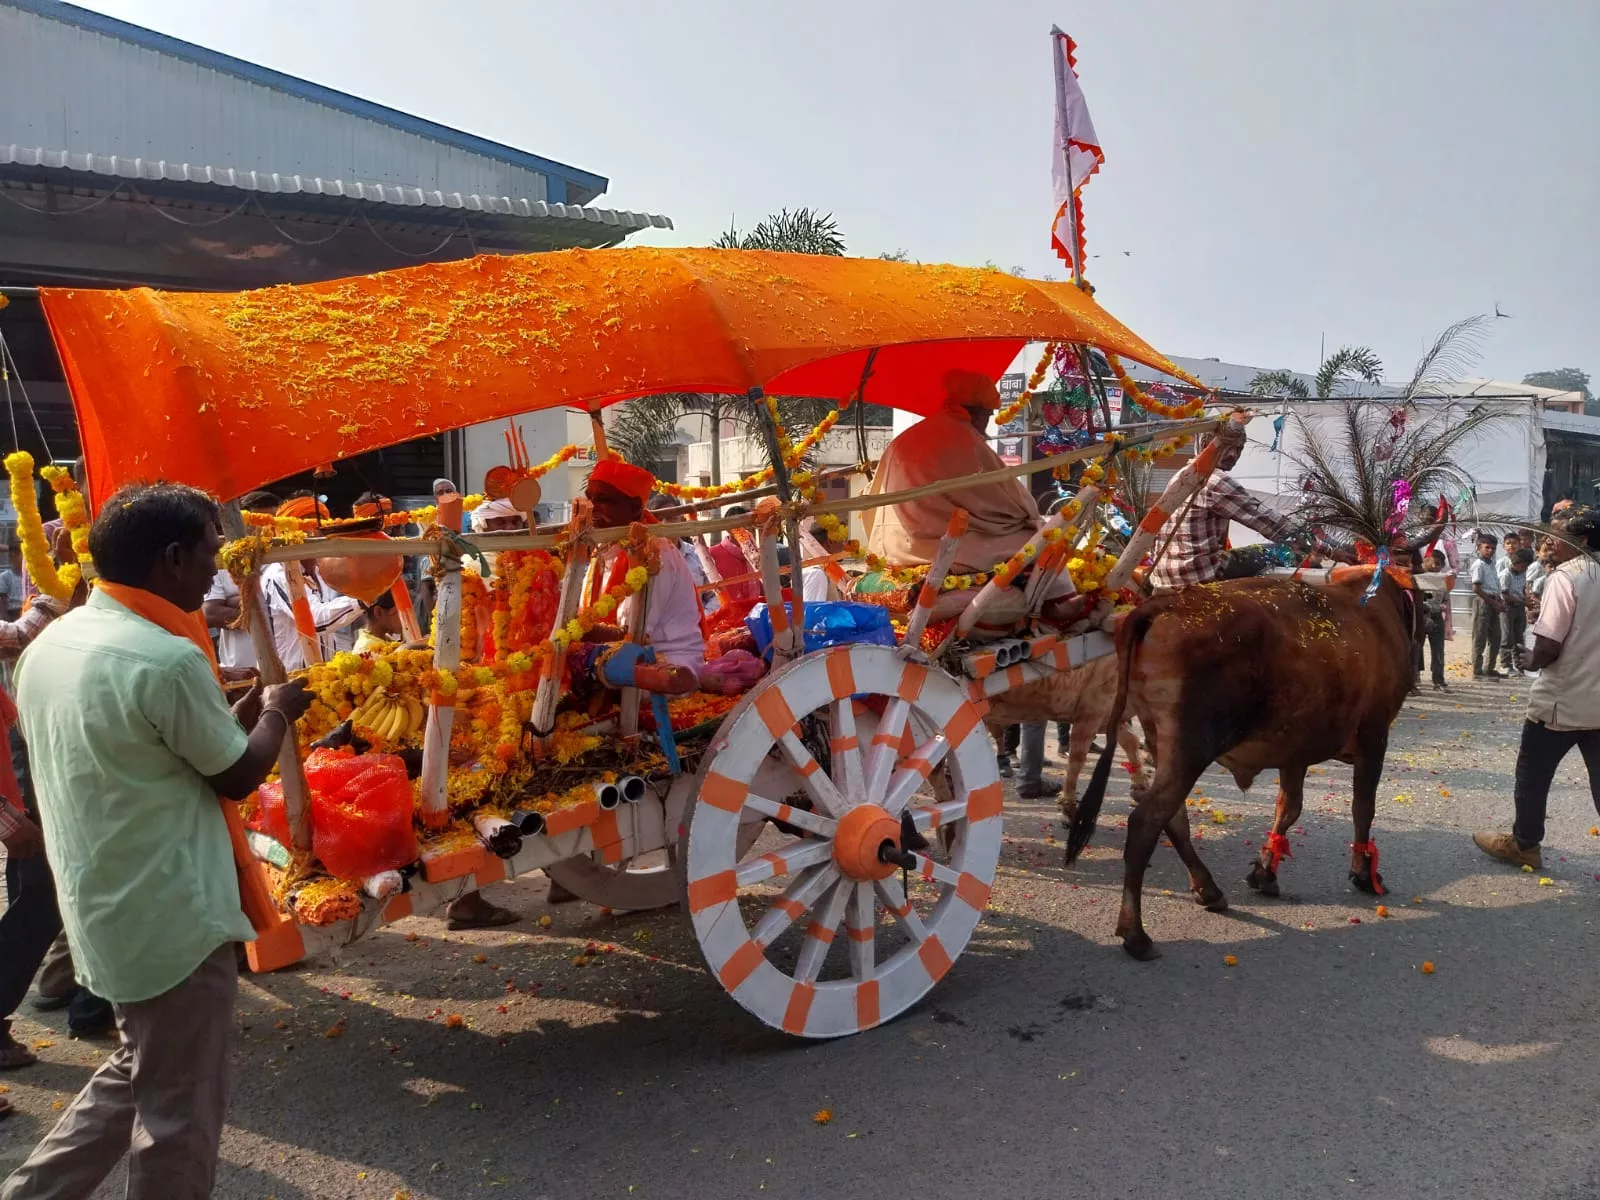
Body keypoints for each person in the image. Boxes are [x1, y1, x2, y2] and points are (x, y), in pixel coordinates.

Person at [4, 482, 311, 1199]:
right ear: (172, 558)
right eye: (209, 553)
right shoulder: (164, 658)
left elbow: (147, 748)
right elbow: (237, 773)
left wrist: (235, 714)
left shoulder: (54, 643)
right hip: (172, 919)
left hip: (106, 905)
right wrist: (277, 711)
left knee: (139, 1068)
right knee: (178, 1115)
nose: (215, 570)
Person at [1473, 507, 1600, 870]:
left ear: (1582, 540)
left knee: (1532, 775)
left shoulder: (1568, 576)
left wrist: (1530, 659)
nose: (1550, 542)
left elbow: (1548, 648)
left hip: (1562, 701)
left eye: (1559, 535)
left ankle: (1525, 844)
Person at [863, 370, 1045, 575]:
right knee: (1037, 538)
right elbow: (1007, 501)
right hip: (936, 549)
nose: (987, 422)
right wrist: (1032, 514)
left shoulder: (912, 435)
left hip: (888, 546)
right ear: (978, 412)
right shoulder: (962, 437)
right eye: (988, 415)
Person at [1147, 423, 1319, 591]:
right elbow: (1268, 521)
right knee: (1277, 552)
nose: (1233, 454)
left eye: (1239, 449)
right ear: (1206, 446)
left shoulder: (1181, 474)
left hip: (1164, 576)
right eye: (1226, 446)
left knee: (1250, 553)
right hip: (1198, 574)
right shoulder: (1215, 480)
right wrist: (1320, 547)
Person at [258, 495, 362, 671]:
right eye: (308, 528)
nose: (316, 535)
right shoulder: (279, 574)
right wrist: (363, 599)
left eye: (320, 528)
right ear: (289, 534)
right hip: (290, 677)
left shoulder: (320, 571)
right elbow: (316, 621)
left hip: (321, 673)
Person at [202, 489, 280, 672]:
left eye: (272, 522)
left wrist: (239, 601)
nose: (266, 530)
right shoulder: (224, 560)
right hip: (243, 670)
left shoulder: (286, 559)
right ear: (241, 524)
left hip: (289, 663)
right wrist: (268, 608)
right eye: (258, 522)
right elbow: (210, 613)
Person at [1469, 533, 1507, 678]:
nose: (1490, 550)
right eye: (1487, 547)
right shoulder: (1478, 564)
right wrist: (1493, 602)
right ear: (1479, 547)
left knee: (1496, 637)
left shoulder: (1491, 564)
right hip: (1483, 601)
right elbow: (1476, 588)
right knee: (1480, 637)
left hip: (1493, 601)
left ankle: (1489, 668)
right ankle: (1477, 671)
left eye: (1493, 548)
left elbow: (1495, 584)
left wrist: (1500, 602)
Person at [708, 505, 760, 606]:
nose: (744, 529)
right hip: (727, 610)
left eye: (746, 525)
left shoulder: (756, 554)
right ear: (728, 529)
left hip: (754, 609)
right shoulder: (713, 554)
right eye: (738, 525)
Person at [1499, 547, 1535, 672]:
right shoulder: (1505, 575)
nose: (1525, 569)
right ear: (1516, 563)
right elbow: (1505, 595)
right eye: (1523, 566)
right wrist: (1522, 601)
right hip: (1508, 608)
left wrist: (1526, 598)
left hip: (1519, 607)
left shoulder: (1522, 574)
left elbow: (1523, 588)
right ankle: (1505, 664)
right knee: (1507, 637)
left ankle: (1519, 665)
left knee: (1519, 637)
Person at [1419, 549, 1449, 691]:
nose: (1435, 566)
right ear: (1425, 562)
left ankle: (1438, 680)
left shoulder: (1443, 580)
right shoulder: (1418, 578)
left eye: (1439, 564)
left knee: (1438, 649)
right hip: (1421, 616)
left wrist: (1444, 610)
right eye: (1433, 563)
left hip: (1436, 616)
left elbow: (1446, 599)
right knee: (1416, 648)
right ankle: (1412, 680)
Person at [0, 546, 22, 623]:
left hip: (29, 610)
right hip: (13, 613)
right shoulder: (4, 576)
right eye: (13, 556)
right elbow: (2, 602)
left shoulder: (31, 576)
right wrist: (7, 622)